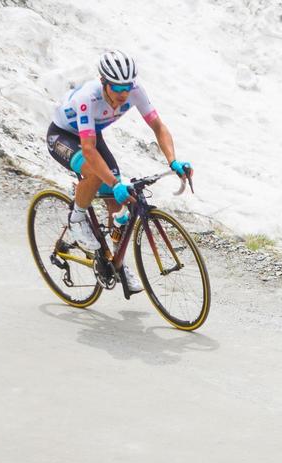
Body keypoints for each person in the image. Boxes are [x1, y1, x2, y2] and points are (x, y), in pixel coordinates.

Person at [44, 50, 192, 296]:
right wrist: (114, 182)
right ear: (103, 82)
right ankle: (77, 218)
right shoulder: (87, 98)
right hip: (62, 136)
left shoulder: (135, 91)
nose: (124, 94)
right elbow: (89, 151)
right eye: (117, 88)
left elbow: (158, 126)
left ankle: (117, 263)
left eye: (127, 86)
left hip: (91, 133)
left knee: (118, 203)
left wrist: (173, 160)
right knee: (95, 173)